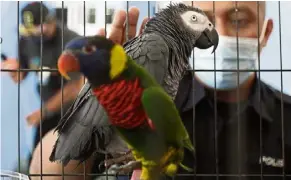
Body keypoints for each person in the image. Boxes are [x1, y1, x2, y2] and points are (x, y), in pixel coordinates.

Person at [30, 1, 291, 180]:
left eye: (238, 19)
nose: (216, 30)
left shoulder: (286, 117)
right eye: (201, 18)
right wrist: (94, 95)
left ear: (266, 33)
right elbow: (48, 172)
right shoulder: (155, 55)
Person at [13, 2, 83, 152]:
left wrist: (43, 112)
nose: (37, 34)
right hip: (48, 113)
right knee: (37, 156)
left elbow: (75, 87)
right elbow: (21, 74)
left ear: (50, 20)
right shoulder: (27, 40)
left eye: (42, 28)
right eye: (32, 32)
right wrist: (13, 69)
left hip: (76, 112)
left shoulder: (70, 42)